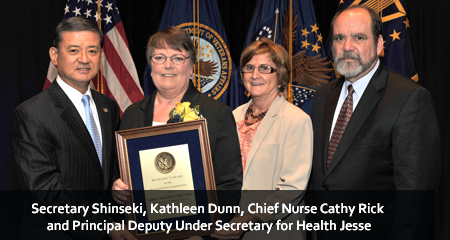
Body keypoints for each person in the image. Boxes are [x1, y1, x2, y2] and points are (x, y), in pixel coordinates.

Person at [308, 5, 441, 239]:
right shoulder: (322, 96)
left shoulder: (409, 99)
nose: (347, 46)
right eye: (340, 38)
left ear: (380, 45)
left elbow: (415, 200)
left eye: (359, 37)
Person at [10, 17, 134, 240]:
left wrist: (118, 184)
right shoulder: (31, 114)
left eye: (93, 51)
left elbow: (110, 170)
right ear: (54, 56)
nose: (84, 59)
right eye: (74, 50)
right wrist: (104, 226)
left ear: (101, 56)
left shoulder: (109, 107)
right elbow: (45, 191)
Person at [112, 26, 242, 237]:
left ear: (191, 66)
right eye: (160, 57)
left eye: (178, 58)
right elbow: (118, 173)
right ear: (150, 64)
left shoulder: (217, 113)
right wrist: (117, 189)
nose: (168, 65)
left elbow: (229, 185)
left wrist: (202, 231)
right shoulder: (132, 113)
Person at [212, 38, 313, 240]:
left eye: (265, 68)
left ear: (281, 74)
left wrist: (248, 218)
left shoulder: (296, 120)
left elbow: (291, 188)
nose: (255, 75)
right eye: (249, 67)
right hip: (227, 227)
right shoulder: (232, 116)